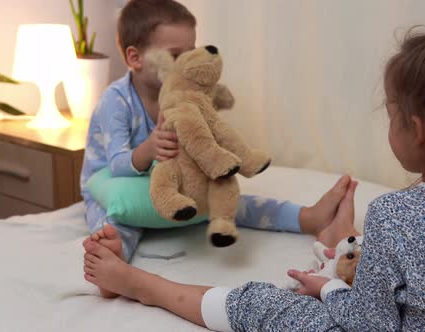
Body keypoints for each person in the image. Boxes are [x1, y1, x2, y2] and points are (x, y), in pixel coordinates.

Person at [82, 30, 425, 330]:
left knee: (265, 303)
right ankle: (341, 242)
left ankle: (141, 285)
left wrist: (331, 287)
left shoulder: (395, 213)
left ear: (418, 130)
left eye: (392, 116)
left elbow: (366, 325)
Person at [80, 0, 354, 299]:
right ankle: (113, 263)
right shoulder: (116, 102)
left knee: (231, 198)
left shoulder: (185, 95)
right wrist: (149, 148)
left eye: (192, 52)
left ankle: (307, 217)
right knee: (117, 222)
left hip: (170, 181)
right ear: (135, 58)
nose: (187, 63)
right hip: (118, 187)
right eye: (175, 56)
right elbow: (117, 164)